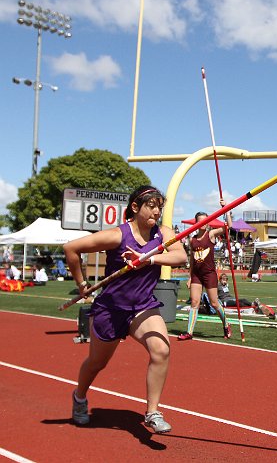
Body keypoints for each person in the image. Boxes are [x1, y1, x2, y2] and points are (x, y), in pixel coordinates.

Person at [62, 185, 187, 432]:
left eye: (159, 207)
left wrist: (149, 259)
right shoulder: (118, 235)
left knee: (161, 349)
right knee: (97, 363)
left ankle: (153, 411)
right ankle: (79, 396)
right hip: (110, 309)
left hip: (142, 307)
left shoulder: (163, 234)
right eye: (151, 206)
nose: (156, 212)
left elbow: (180, 257)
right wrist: (81, 284)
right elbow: (71, 249)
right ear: (135, 208)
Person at [179, 204, 233, 341]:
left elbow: (228, 226)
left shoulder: (211, 234)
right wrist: (190, 277)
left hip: (209, 274)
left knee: (214, 303)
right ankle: (189, 332)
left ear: (208, 222)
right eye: (199, 221)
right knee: (194, 302)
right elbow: (192, 260)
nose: (202, 224)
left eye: (204, 221)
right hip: (196, 274)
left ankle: (226, 324)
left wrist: (226, 209)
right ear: (196, 223)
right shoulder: (192, 240)